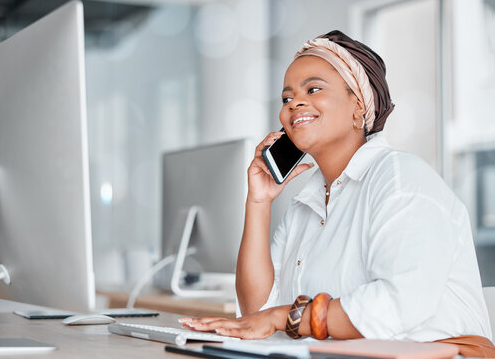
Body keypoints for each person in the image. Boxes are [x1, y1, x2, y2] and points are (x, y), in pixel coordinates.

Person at [179, 30, 495, 357]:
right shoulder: (306, 205)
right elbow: (257, 313)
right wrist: (258, 202)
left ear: (358, 106)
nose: (295, 103)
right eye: (287, 98)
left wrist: (281, 317)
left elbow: (397, 305)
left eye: (313, 89)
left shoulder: (401, 178)